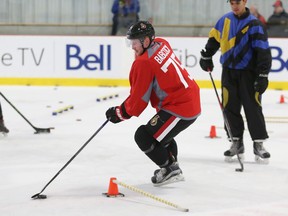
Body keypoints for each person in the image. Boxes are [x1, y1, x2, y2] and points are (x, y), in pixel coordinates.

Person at [105, 21, 201, 186]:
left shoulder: (143, 63)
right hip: (188, 99)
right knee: (162, 135)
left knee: (143, 136)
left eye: (135, 42)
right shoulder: (162, 43)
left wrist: (119, 113)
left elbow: (138, 101)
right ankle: (171, 167)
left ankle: (170, 170)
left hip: (180, 107)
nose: (132, 46)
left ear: (146, 41)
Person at [199, 0, 272, 163]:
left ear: (245, 1)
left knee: (253, 107)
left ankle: (258, 144)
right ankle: (236, 142)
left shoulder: (254, 24)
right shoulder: (224, 20)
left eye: (237, 2)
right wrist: (206, 56)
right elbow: (213, 40)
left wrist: (263, 75)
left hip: (249, 73)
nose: (235, 6)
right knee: (229, 108)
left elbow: (263, 51)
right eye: (232, 3)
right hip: (229, 73)